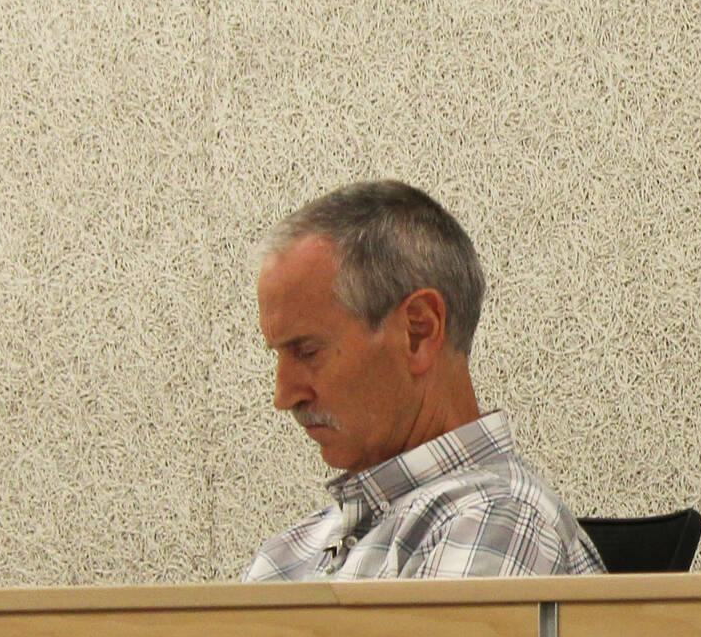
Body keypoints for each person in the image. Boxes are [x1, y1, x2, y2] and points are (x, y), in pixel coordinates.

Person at [243, 181, 605, 580]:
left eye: (307, 351)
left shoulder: (497, 521)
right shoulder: (288, 553)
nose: (283, 395)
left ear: (418, 332)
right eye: (277, 356)